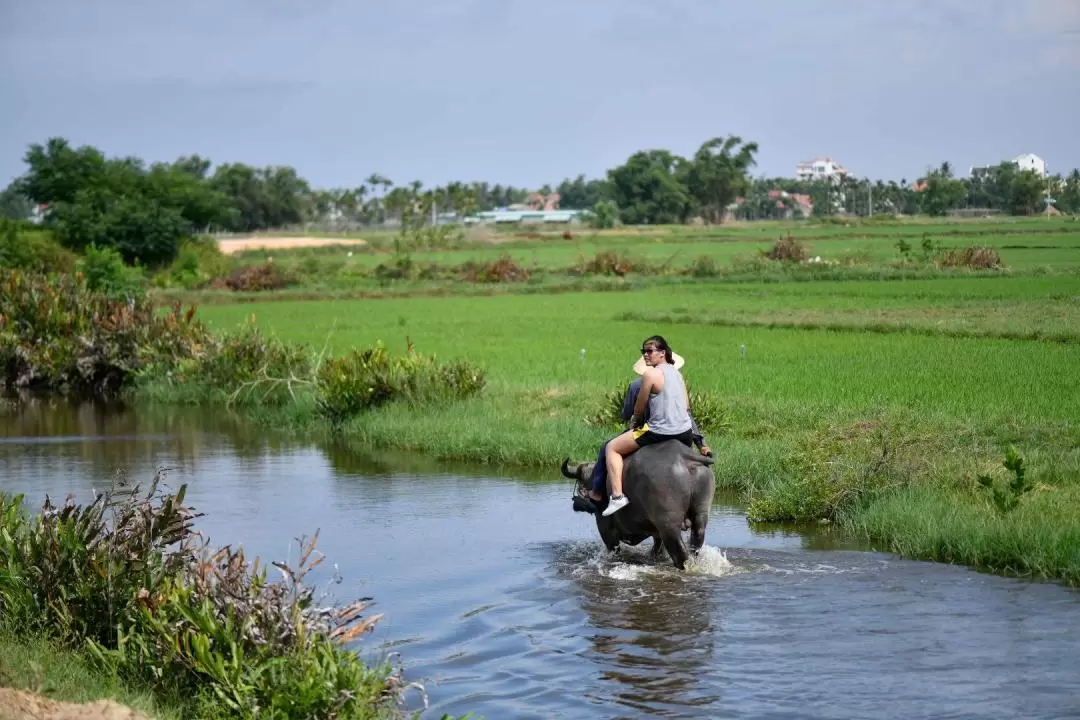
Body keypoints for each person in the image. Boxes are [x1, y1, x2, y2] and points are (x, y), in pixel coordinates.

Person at [582, 352, 711, 508]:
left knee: (607, 448)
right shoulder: (677, 383)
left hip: (651, 430)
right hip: (680, 433)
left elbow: (627, 413)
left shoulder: (637, 385)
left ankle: (599, 493)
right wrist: (701, 443)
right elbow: (687, 415)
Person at [602, 335, 700, 517]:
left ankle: (617, 496)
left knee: (612, 448)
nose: (645, 355)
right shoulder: (677, 374)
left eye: (649, 351)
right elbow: (687, 406)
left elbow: (639, 408)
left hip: (659, 431)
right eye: (643, 351)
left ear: (662, 353)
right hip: (685, 432)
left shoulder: (650, 375)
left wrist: (636, 421)